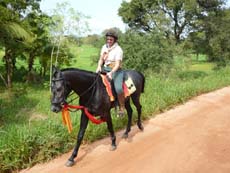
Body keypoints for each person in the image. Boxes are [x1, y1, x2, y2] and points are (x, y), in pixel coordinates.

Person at [96, 29, 125, 116]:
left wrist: (111, 72)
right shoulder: (104, 47)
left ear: (115, 40)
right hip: (105, 68)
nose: (109, 41)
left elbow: (117, 64)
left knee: (118, 88)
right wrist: (98, 66)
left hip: (115, 70)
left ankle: (122, 108)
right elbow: (101, 59)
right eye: (107, 39)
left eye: (111, 39)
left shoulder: (118, 50)